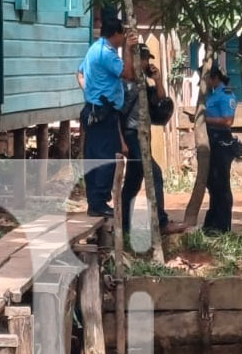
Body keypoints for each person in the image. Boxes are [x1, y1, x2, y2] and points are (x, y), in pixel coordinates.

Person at [120, 46, 185, 237]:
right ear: (133, 59)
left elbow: (161, 100)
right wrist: (122, 141)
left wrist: (157, 80)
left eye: (148, 59)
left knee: (133, 181)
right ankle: (161, 222)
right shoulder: (124, 84)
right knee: (154, 173)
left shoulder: (143, 85)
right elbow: (117, 114)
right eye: (143, 59)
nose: (146, 63)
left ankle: (124, 226)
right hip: (132, 135)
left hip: (143, 135)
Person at [78, 16, 132, 217]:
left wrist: (90, 93)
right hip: (103, 112)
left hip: (93, 108)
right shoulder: (108, 54)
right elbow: (127, 74)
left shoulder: (94, 49)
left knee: (93, 155)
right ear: (116, 34)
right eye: (122, 34)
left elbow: (79, 73)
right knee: (106, 157)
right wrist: (128, 49)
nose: (123, 38)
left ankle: (95, 201)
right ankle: (99, 202)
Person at [201, 66, 239, 233]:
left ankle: (222, 226)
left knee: (221, 184)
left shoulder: (225, 94)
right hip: (211, 141)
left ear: (214, 77)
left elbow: (228, 120)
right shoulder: (211, 94)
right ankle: (211, 223)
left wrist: (204, 119)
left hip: (221, 142)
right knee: (212, 183)